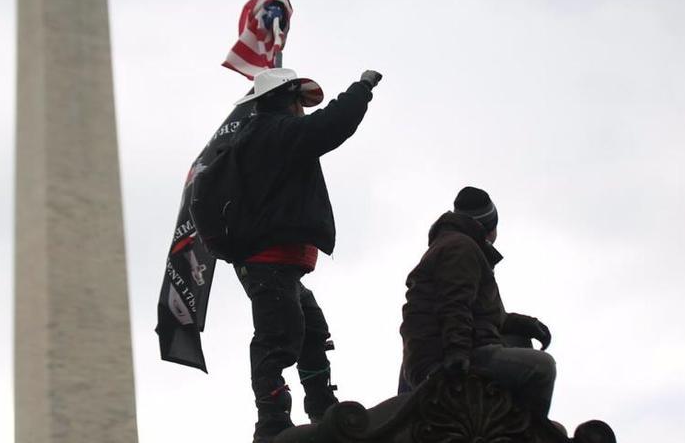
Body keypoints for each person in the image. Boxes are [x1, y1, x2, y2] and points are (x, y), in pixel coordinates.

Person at [231, 67, 382, 442]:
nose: (303, 109)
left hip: (274, 262)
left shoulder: (257, 136)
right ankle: (272, 422)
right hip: (269, 260)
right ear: (286, 99)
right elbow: (334, 124)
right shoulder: (275, 134)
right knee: (277, 338)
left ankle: (321, 407)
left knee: (310, 329)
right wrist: (362, 88)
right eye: (300, 101)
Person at [399, 187, 556, 418]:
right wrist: (456, 354)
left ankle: (507, 418)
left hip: (446, 348)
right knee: (542, 368)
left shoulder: (455, 245)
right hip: (444, 357)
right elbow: (454, 304)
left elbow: (487, 315)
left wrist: (527, 324)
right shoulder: (461, 248)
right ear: (489, 228)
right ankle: (523, 430)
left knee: (518, 339)